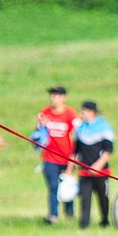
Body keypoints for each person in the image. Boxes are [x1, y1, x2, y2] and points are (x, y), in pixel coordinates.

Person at [35, 86, 77, 224]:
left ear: (63, 98)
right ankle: (53, 214)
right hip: (49, 157)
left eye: (57, 96)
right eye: (52, 96)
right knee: (53, 186)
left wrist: (73, 160)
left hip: (66, 156)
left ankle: (69, 212)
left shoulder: (70, 114)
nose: (53, 99)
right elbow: (38, 132)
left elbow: (77, 136)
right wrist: (40, 125)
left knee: (67, 185)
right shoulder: (45, 112)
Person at [73, 101, 115, 229]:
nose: (82, 114)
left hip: (101, 171)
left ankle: (105, 221)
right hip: (85, 172)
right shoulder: (80, 128)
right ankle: (84, 224)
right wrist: (70, 168)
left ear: (92, 112)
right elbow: (75, 150)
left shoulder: (104, 127)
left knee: (103, 197)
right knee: (85, 198)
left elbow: (108, 150)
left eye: (84, 111)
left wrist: (98, 166)